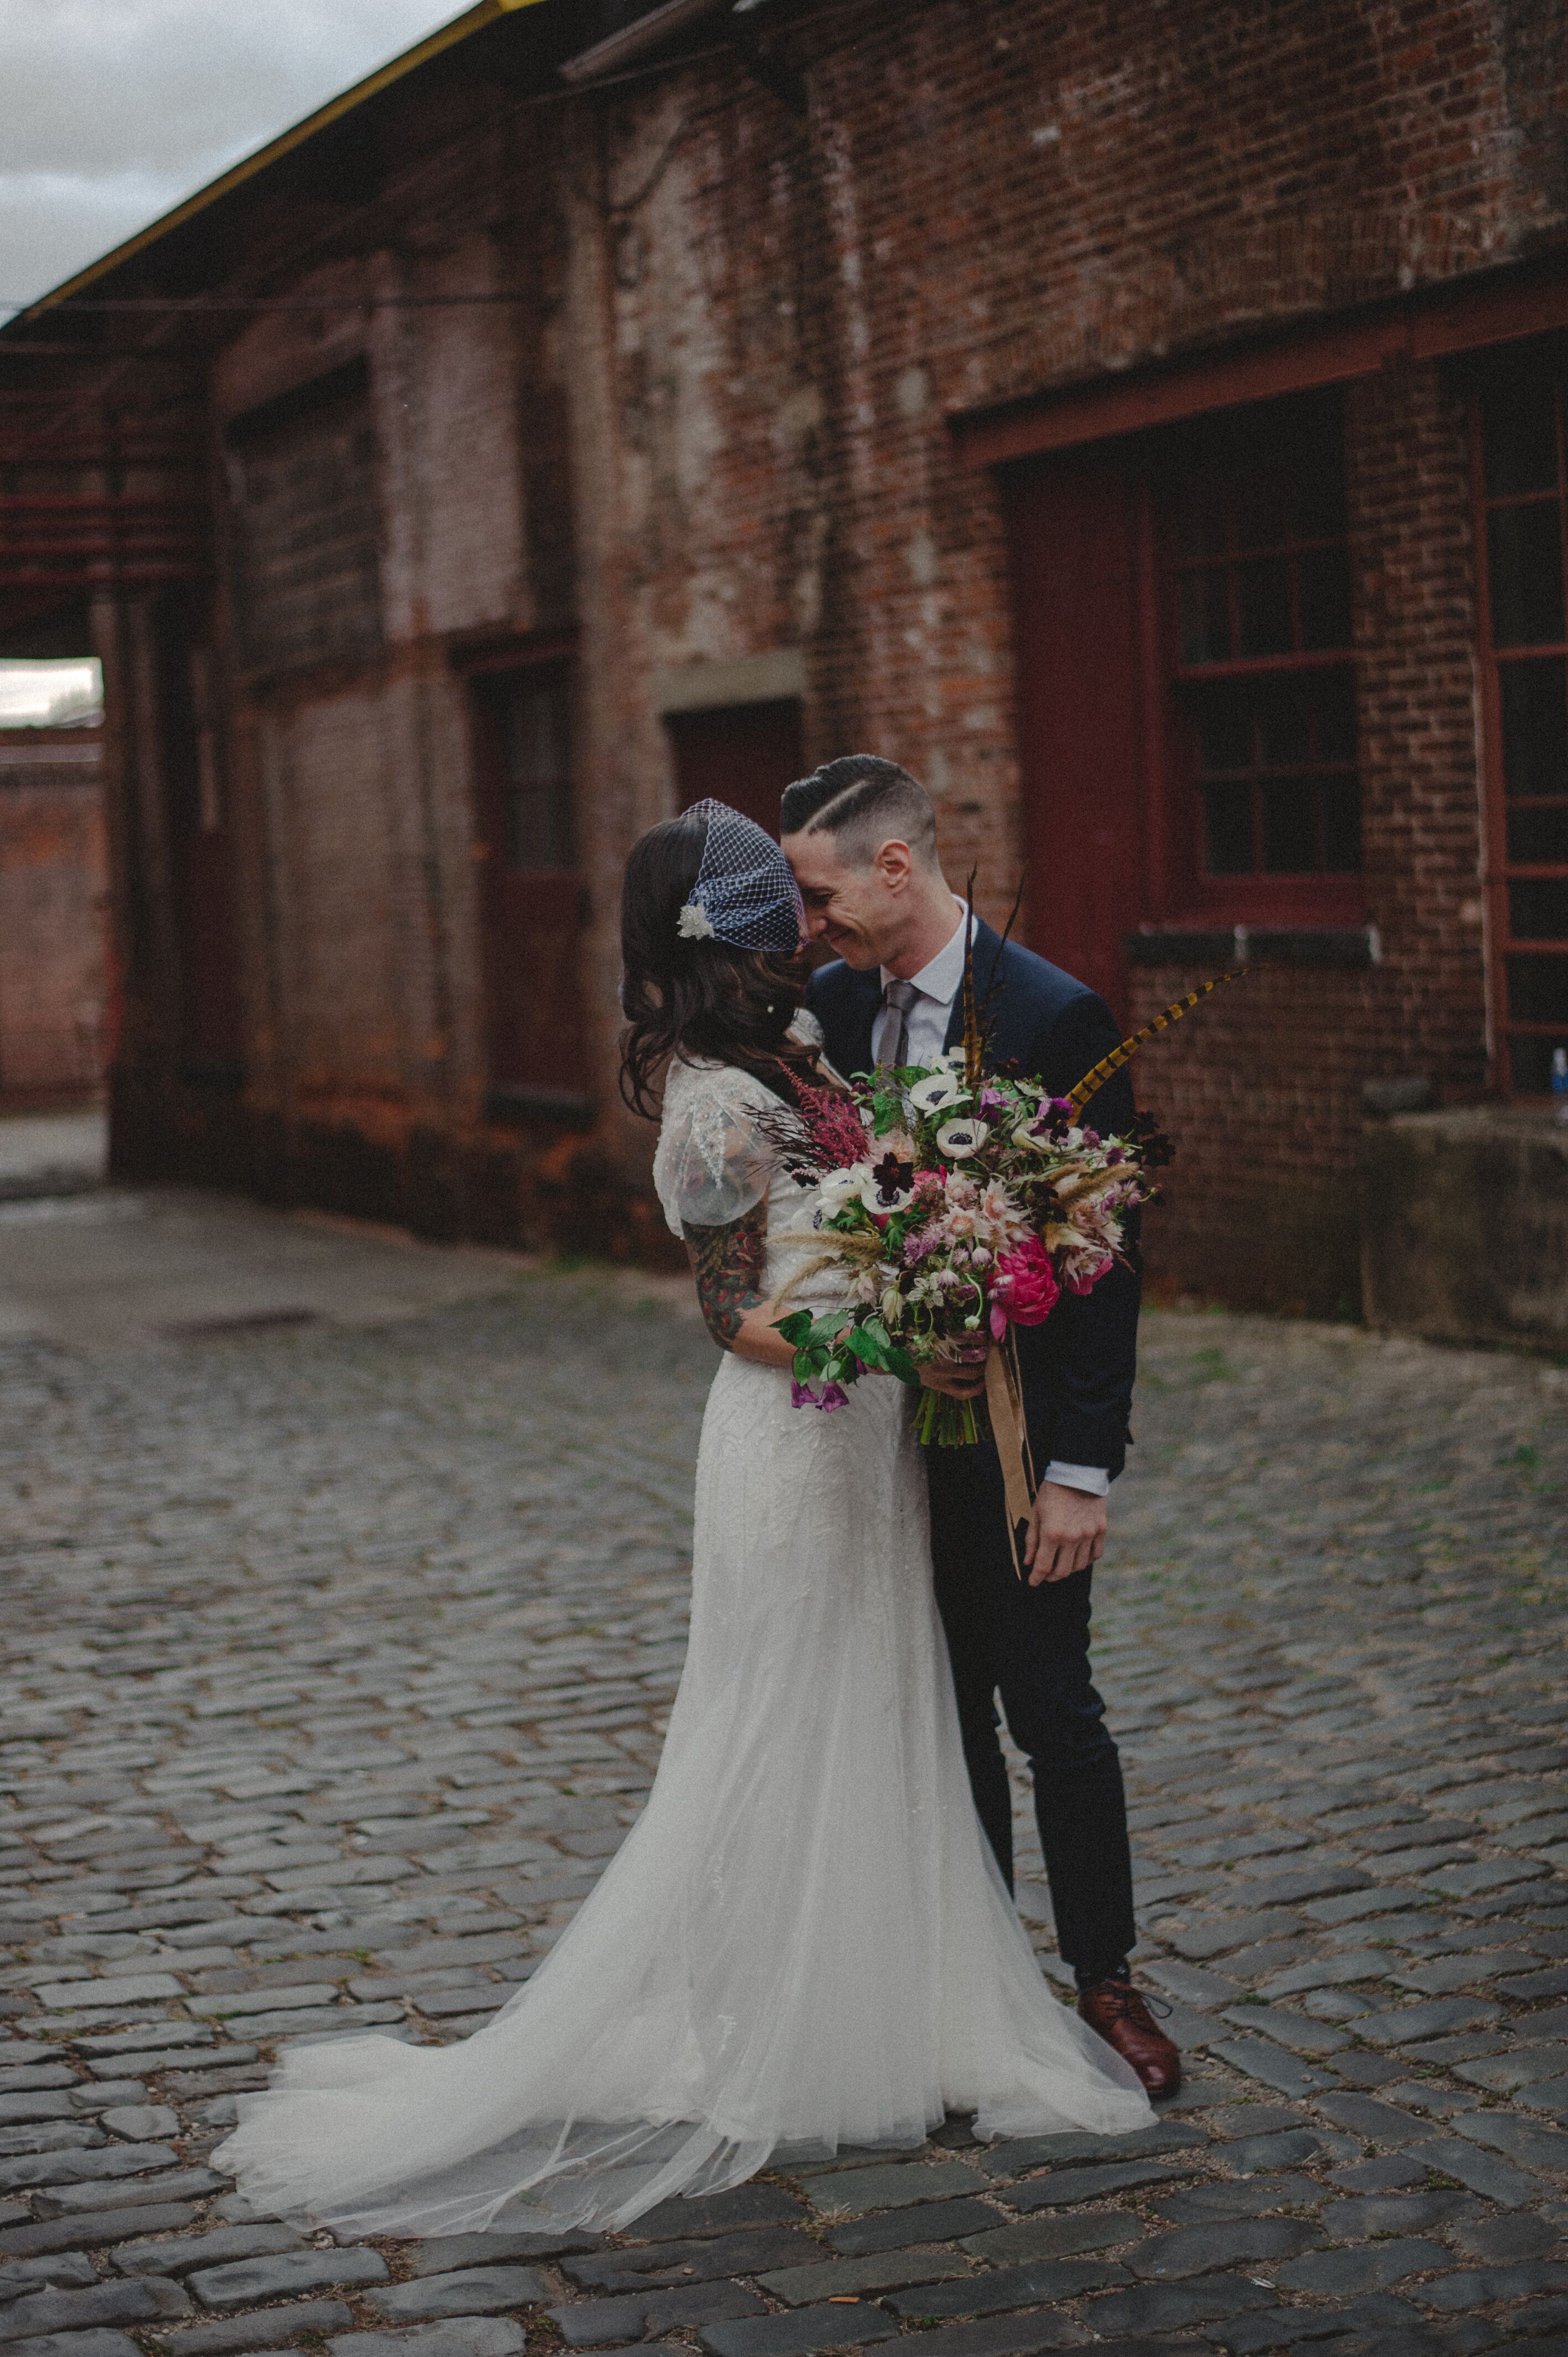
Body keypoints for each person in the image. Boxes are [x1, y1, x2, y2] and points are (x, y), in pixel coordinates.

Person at [213, 797, 1150, 2241]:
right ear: (742, 929)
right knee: (782, 1714)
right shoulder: (716, 1095)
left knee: (886, 1703)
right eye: (784, 902)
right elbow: (736, 1318)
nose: (808, 920)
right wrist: (897, 1338)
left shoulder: (805, 1053)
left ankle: (902, 2006)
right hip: (791, 1446)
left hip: (870, 1453)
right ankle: (782, 2022)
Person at [783, 755, 1180, 2097]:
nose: (813, 923)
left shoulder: (1055, 1014)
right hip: (888, 1435)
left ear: (897, 866)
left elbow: (1108, 1264)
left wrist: (1080, 1469)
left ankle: (1107, 1978)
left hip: (1021, 1443)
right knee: (935, 1711)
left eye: (822, 892)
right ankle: (976, 1983)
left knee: (1050, 1707)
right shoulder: (830, 1012)